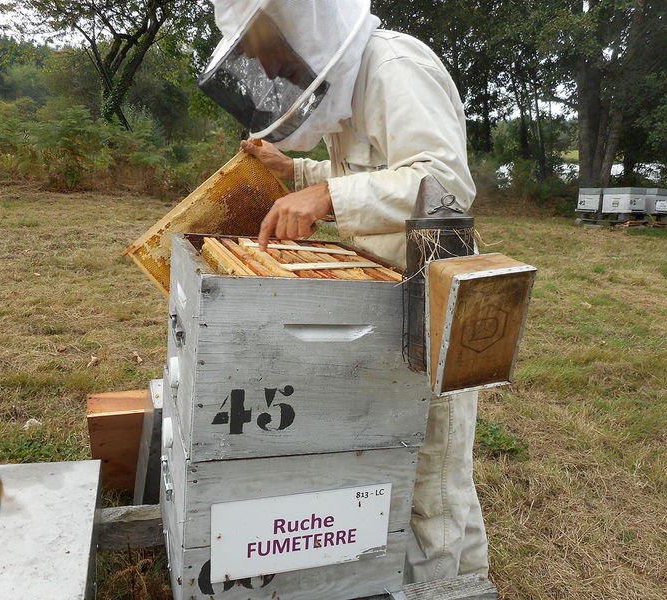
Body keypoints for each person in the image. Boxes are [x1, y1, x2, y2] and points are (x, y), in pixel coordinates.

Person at [199, 0, 489, 582]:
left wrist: (325, 199)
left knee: (431, 465)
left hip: (429, 294)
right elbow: (367, 176)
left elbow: (446, 182)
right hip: (383, 293)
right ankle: (467, 581)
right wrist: (299, 173)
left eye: (278, 57)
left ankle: (440, 587)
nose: (278, 74)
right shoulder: (351, 86)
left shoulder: (394, 68)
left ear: (311, 28)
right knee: (411, 456)